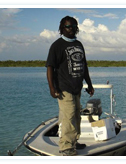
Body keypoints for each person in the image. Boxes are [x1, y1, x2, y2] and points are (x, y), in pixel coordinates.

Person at [45, 16, 94, 156]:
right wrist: (52, 88)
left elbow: (84, 66)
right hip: (63, 88)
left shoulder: (79, 44)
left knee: (77, 116)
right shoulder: (57, 45)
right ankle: (66, 148)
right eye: (68, 26)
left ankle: (74, 142)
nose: (71, 29)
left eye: (74, 26)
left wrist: (89, 84)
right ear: (62, 28)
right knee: (68, 117)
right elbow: (50, 68)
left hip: (77, 87)